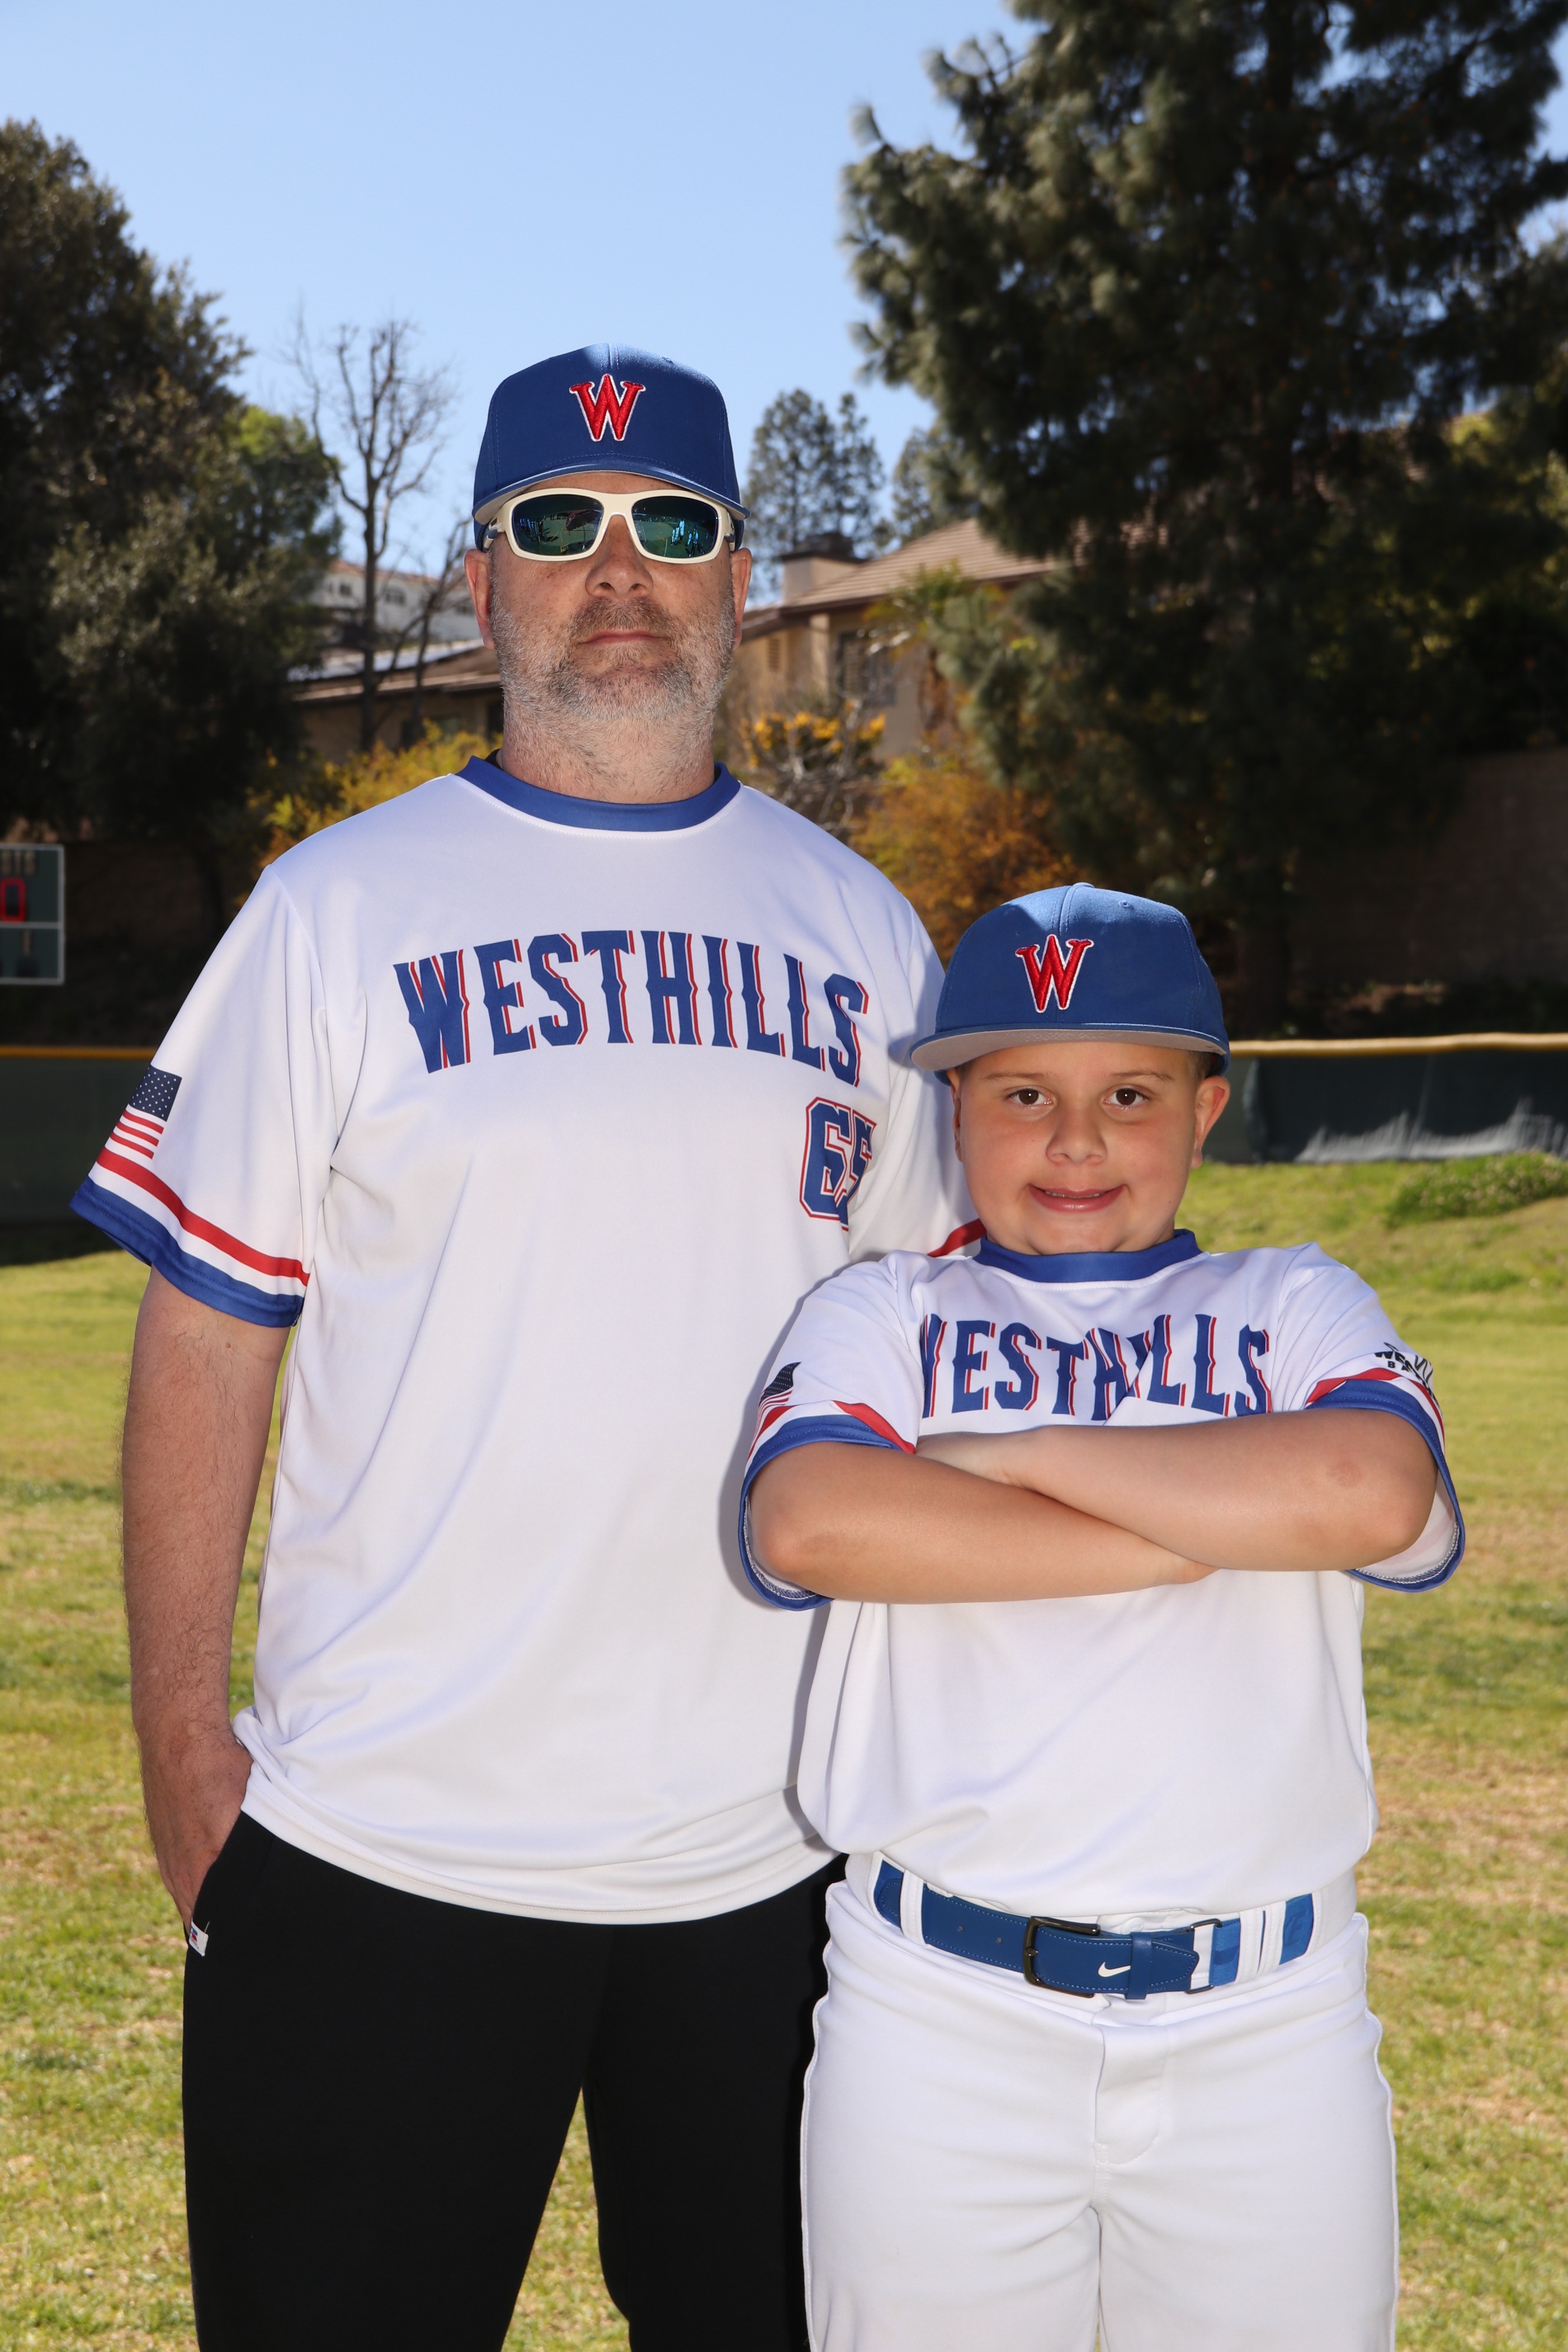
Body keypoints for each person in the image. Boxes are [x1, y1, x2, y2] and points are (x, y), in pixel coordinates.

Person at [73, 344, 972, 2352]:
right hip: (385, 1843)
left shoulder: (865, 934)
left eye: (673, 523)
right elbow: (204, 1339)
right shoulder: (330, 911)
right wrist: (183, 1755)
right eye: (559, 525)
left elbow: (934, 1381)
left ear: (741, 578)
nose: (617, 570)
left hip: (775, 1861)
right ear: (482, 584)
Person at [742, 884, 1462, 2352]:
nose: (1074, 1142)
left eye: (1128, 1094)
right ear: (954, 1108)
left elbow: (1368, 1492)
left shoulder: (1291, 1300)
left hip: (1264, 2020)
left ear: (1204, 1110)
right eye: (1022, 1094)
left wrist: (1012, 1456)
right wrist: (1187, 1525)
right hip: (937, 2015)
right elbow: (812, 1522)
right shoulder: (883, 1312)